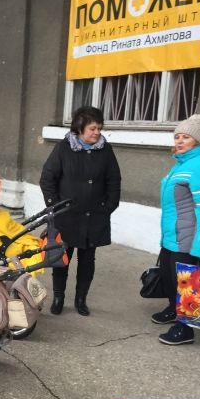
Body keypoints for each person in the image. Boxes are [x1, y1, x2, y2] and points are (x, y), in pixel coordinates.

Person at [40, 106, 121, 316]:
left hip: (94, 216)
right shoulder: (63, 148)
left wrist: (108, 207)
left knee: (87, 260)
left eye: (99, 128)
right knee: (61, 258)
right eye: (92, 128)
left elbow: (114, 181)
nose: (97, 132)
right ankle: (59, 297)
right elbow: (47, 178)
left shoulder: (105, 150)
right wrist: (55, 206)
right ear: (80, 127)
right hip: (66, 216)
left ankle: (81, 299)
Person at [152, 114, 200, 345]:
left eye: (186, 137)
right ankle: (174, 309)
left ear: (198, 140)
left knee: (187, 284)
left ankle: (185, 329)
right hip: (173, 237)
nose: (180, 141)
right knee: (169, 278)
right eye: (177, 137)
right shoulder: (182, 164)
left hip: (189, 240)